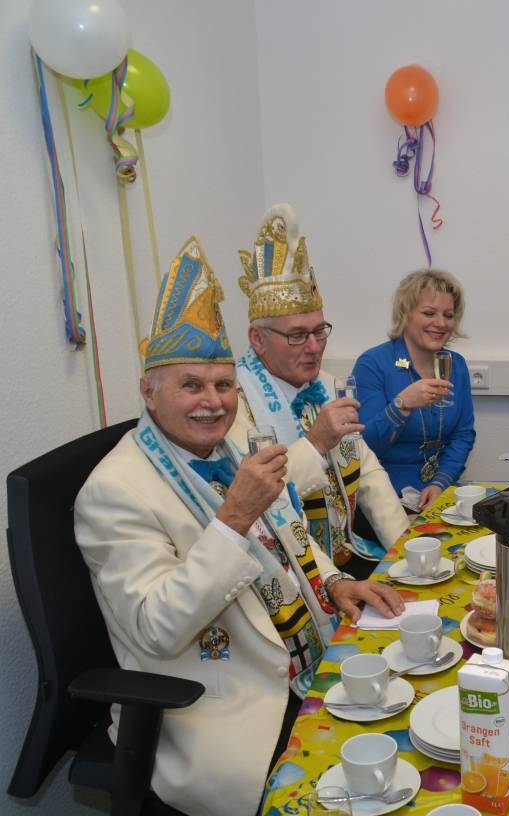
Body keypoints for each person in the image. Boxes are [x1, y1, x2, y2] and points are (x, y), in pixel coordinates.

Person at [74, 237, 404, 816]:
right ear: (149, 392)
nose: (213, 402)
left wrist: (332, 583)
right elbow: (156, 628)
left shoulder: (227, 447)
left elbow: (288, 532)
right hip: (226, 707)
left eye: (223, 385)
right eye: (192, 385)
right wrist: (232, 519)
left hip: (307, 655)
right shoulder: (113, 492)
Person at [232, 205, 408, 575]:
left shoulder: (327, 384)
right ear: (257, 339)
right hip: (288, 571)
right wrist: (314, 443)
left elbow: (368, 471)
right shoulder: (233, 404)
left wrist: (406, 552)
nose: (315, 347)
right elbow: (257, 508)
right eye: (297, 335)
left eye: (319, 331)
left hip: (348, 555)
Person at [354, 269, 475, 509]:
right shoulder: (373, 364)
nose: (440, 323)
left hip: (440, 490)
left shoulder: (456, 364)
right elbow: (365, 447)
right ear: (405, 314)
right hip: (385, 497)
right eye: (429, 313)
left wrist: (440, 483)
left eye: (448, 315)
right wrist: (402, 405)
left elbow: (463, 434)